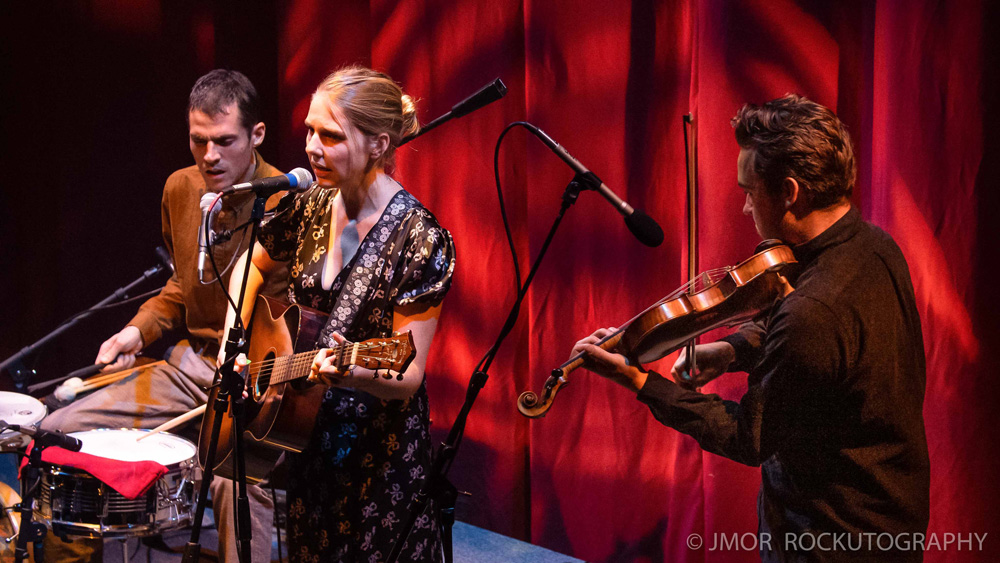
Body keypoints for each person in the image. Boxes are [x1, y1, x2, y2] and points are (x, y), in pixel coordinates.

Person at [572, 95, 929, 562]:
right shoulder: (876, 247)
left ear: (789, 192)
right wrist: (730, 350)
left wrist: (639, 382)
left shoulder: (813, 311)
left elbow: (750, 438)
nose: (744, 207)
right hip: (892, 518)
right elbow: (823, 351)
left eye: (749, 189)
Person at [40, 69, 287, 563]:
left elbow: (301, 313)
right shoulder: (181, 188)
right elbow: (180, 285)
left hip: (254, 381)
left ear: (256, 135)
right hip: (189, 368)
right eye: (199, 141)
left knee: (233, 480)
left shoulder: (286, 200)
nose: (210, 155)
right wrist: (137, 330)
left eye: (224, 141)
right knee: (61, 428)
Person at [221, 65, 455, 562]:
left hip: (380, 466)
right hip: (309, 445)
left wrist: (354, 373)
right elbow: (250, 263)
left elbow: (409, 373)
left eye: (330, 135)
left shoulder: (419, 238)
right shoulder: (309, 204)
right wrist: (234, 342)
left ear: (378, 144)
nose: (311, 146)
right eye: (309, 130)